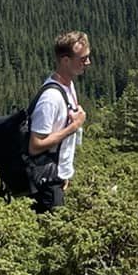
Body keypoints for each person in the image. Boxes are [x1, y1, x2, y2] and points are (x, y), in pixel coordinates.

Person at [28, 30, 91, 213]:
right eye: (82, 58)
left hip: (57, 177)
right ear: (65, 60)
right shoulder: (51, 98)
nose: (88, 63)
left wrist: (65, 173)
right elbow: (35, 145)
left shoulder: (68, 86)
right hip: (46, 184)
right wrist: (74, 126)